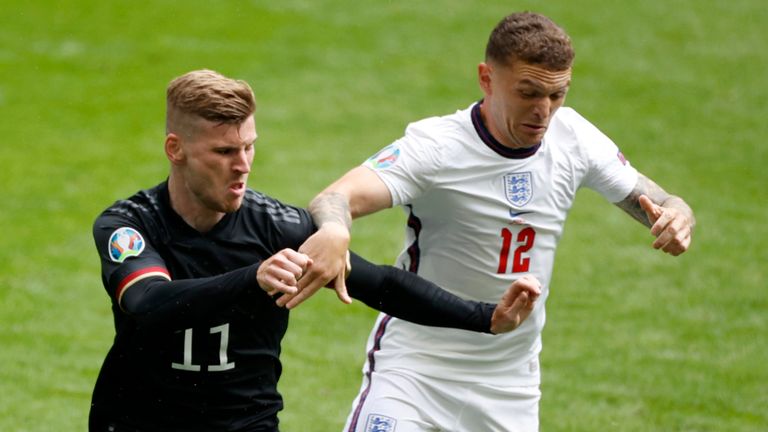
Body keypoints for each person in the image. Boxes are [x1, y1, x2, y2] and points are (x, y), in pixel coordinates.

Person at [285, 11, 696, 432]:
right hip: (416, 371)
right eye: (528, 92)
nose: (544, 111)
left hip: (509, 385)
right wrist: (336, 228)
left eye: (557, 95)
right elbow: (337, 197)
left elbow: (662, 200)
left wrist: (678, 216)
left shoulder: (574, 139)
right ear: (486, 78)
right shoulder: (437, 147)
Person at [89, 69, 542, 432]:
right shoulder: (129, 225)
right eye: (224, 151)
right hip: (137, 422)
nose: (243, 165)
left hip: (244, 423)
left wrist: (484, 317)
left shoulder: (275, 225)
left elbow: (380, 283)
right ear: (176, 149)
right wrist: (254, 278)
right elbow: (148, 303)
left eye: (249, 147)